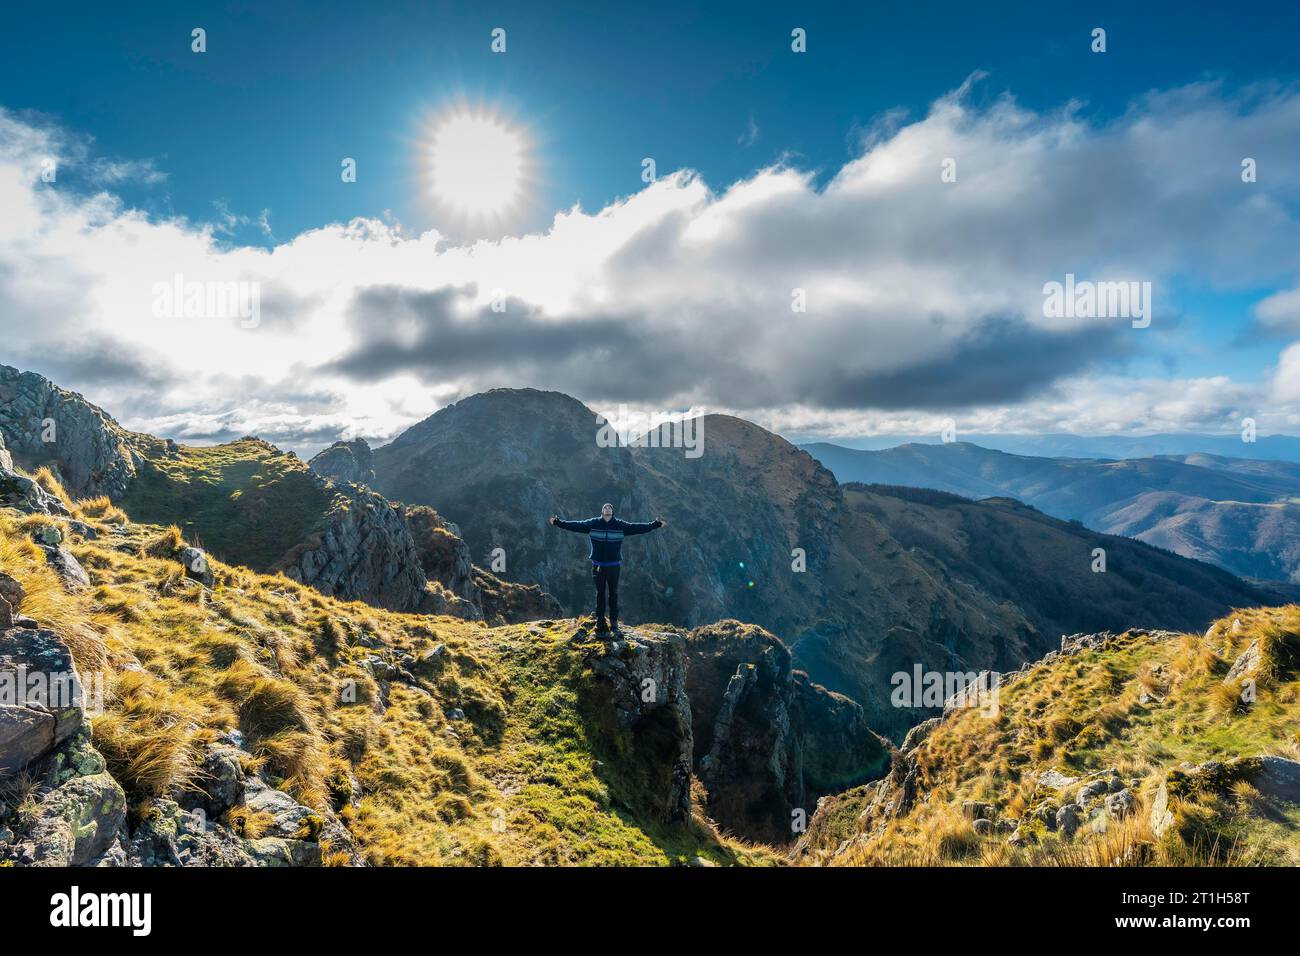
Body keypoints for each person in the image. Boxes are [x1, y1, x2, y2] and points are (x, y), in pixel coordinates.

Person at [549, 503, 666, 635]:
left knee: (613, 594)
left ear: (612, 511)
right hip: (598, 566)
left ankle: (614, 622)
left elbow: (638, 527)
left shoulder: (620, 526)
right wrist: (558, 523)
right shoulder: (593, 524)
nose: (607, 509)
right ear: (602, 511)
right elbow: (576, 525)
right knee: (600, 594)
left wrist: (655, 524)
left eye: (609, 508)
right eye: (605, 507)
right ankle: (600, 620)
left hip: (613, 566)